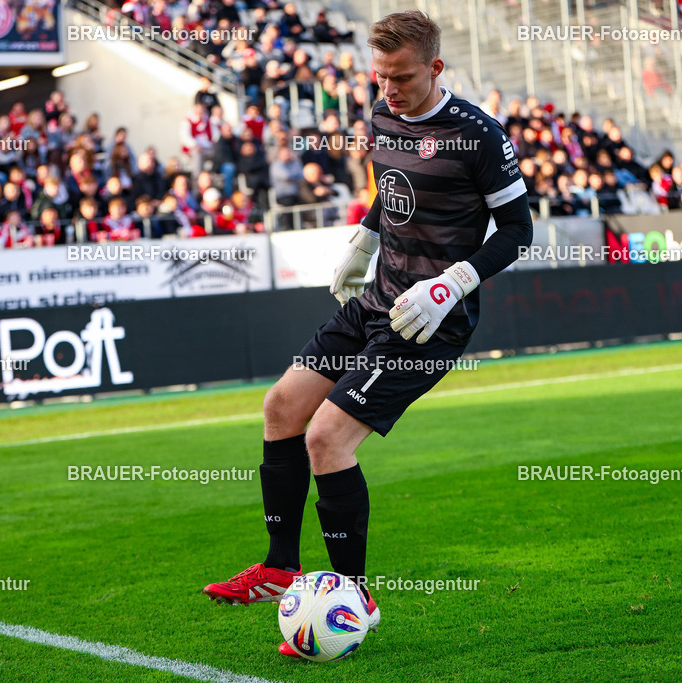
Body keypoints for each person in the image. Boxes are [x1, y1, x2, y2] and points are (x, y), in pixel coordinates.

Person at [202, 11, 533, 659]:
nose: (388, 89)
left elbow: (519, 231)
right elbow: (392, 184)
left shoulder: (479, 136)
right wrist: (367, 233)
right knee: (282, 407)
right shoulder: (380, 114)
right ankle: (279, 567)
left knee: (327, 436)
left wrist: (453, 282)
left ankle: (352, 597)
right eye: (379, 76)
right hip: (376, 297)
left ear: (436, 69)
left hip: (429, 320)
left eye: (402, 77)